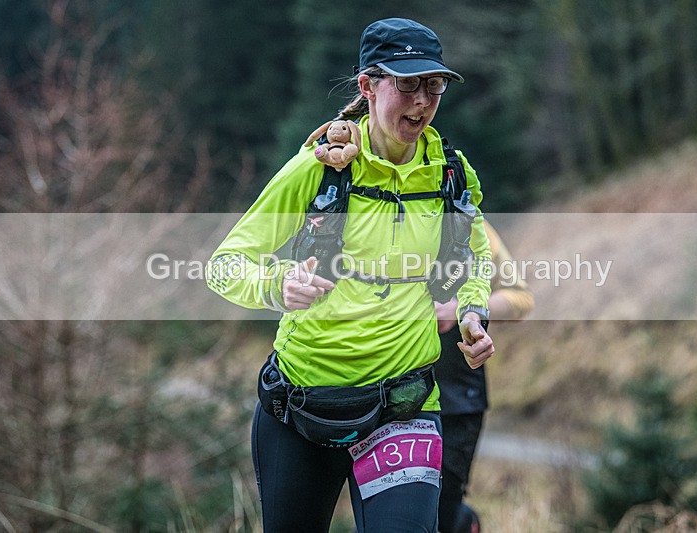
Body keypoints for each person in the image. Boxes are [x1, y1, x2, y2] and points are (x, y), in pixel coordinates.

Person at [207, 17, 494, 533]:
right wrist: (277, 287)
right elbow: (225, 265)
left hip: (404, 407)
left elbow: (473, 262)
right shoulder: (318, 170)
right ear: (367, 85)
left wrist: (473, 312)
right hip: (302, 407)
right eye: (407, 85)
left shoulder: (452, 174)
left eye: (434, 86)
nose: (422, 101)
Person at [434, 221, 534, 533]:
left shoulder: (470, 221)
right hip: (389, 391)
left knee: (444, 509)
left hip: (458, 397)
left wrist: (464, 308)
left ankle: (465, 524)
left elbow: (520, 299)